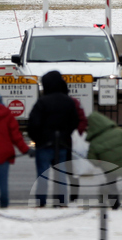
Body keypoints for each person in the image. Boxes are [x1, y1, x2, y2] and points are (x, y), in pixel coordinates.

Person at [27, 70, 80, 206]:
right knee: (61, 174)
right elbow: (74, 121)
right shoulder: (68, 101)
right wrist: (65, 134)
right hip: (62, 142)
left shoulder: (42, 102)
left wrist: (38, 139)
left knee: (43, 174)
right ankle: (61, 201)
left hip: (44, 143)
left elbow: (33, 123)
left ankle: (41, 201)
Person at [85, 111, 122, 209]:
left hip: (109, 168)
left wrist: (101, 164)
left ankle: (114, 202)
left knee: (111, 184)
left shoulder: (94, 142)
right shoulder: (120, 132)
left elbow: (91, 159)